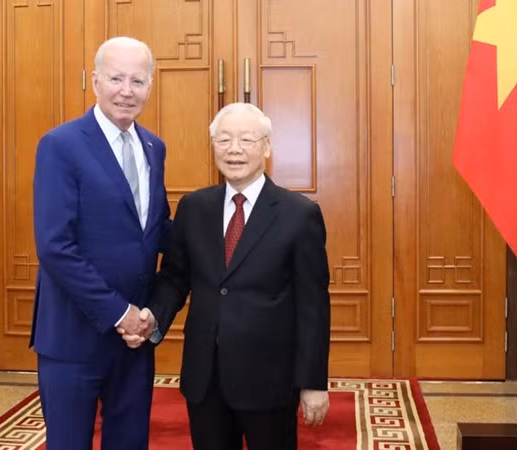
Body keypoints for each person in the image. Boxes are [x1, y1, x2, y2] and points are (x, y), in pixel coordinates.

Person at [124, 102, 331, 450]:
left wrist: (313, 382)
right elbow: (175, 277)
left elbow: (313, 306)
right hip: (205, 378)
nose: (234, 150)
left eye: (247, 140)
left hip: (271, 380)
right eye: (224, 140)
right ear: (214, 147)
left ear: (266, 147)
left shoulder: (300, 214)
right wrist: (153, 317)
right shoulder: (193, 207)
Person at [30, 36, 171, 449]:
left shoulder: (154, 148)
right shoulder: (61, 145)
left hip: (134, 340)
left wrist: (217, 236)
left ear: (150, 86)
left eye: (138, 81)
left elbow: (156, 226)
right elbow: (55, 246)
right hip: (73, 336)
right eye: (116, 78)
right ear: (94, 81)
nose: (127, 91)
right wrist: (118, 312)